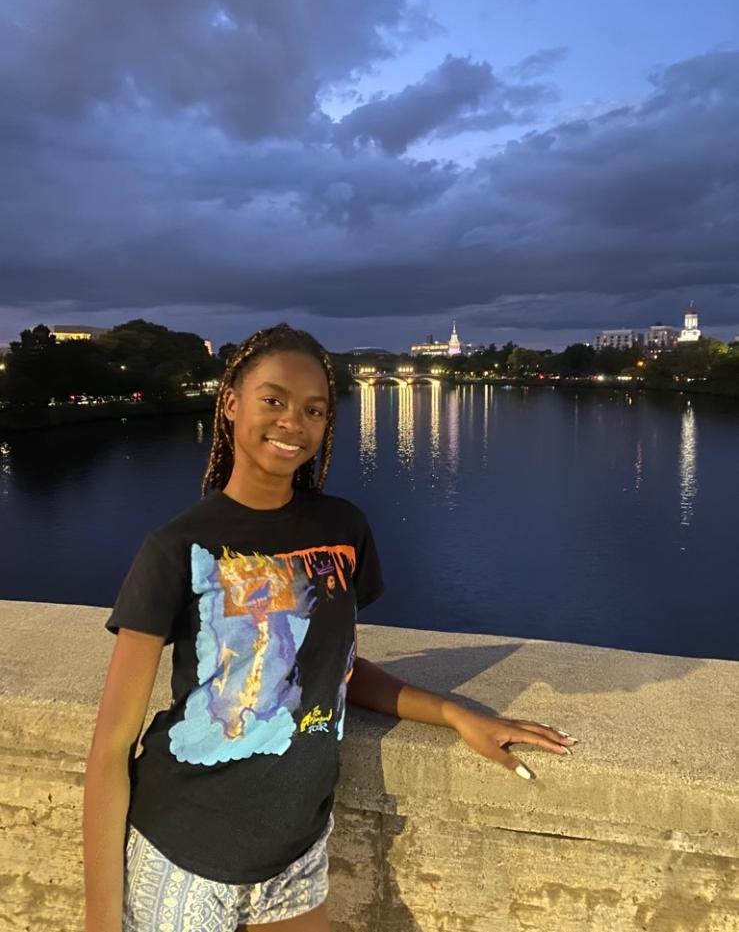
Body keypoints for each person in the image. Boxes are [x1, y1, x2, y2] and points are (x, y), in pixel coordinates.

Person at [83, 323, 578, 932]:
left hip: (296, 853)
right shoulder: (176, 547)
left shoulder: (344, 529)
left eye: (313, 409)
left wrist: (454, 713)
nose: (293, 422)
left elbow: (332, 669)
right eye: (273, 401)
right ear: (232, 404)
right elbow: (109, 752)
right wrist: (100, 920)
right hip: (183, 855)